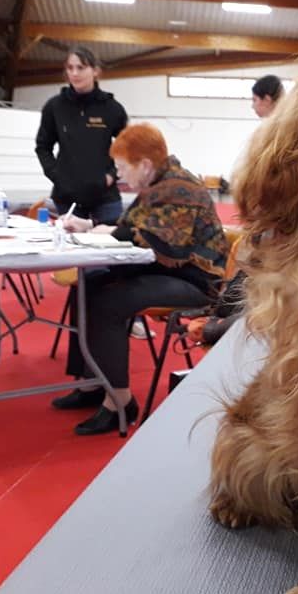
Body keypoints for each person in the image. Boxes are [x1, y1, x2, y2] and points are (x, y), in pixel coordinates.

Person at [52, 123, 229, 435]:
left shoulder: (179, 188)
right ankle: (94, 384)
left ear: (144, 164)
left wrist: (108, 231)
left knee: (109, 300)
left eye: (123, 167)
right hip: (169, 271)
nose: (120, 175)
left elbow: (167, 244)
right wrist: (91, 225)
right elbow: (131, 226)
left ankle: (119, 402)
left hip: (197, 282)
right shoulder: (159, 184)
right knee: (88, 283)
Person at [35, 46, 128, 226]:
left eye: (81, 67)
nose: (74, 73)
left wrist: (112, 175)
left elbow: (129, 148)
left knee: (111, 240)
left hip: (105, 196)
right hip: (67, 197)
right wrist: (57, 176)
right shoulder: (54, 107)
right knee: (71, 241)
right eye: (70, 68)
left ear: (95, 71)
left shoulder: (112, 108)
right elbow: (42, 147)